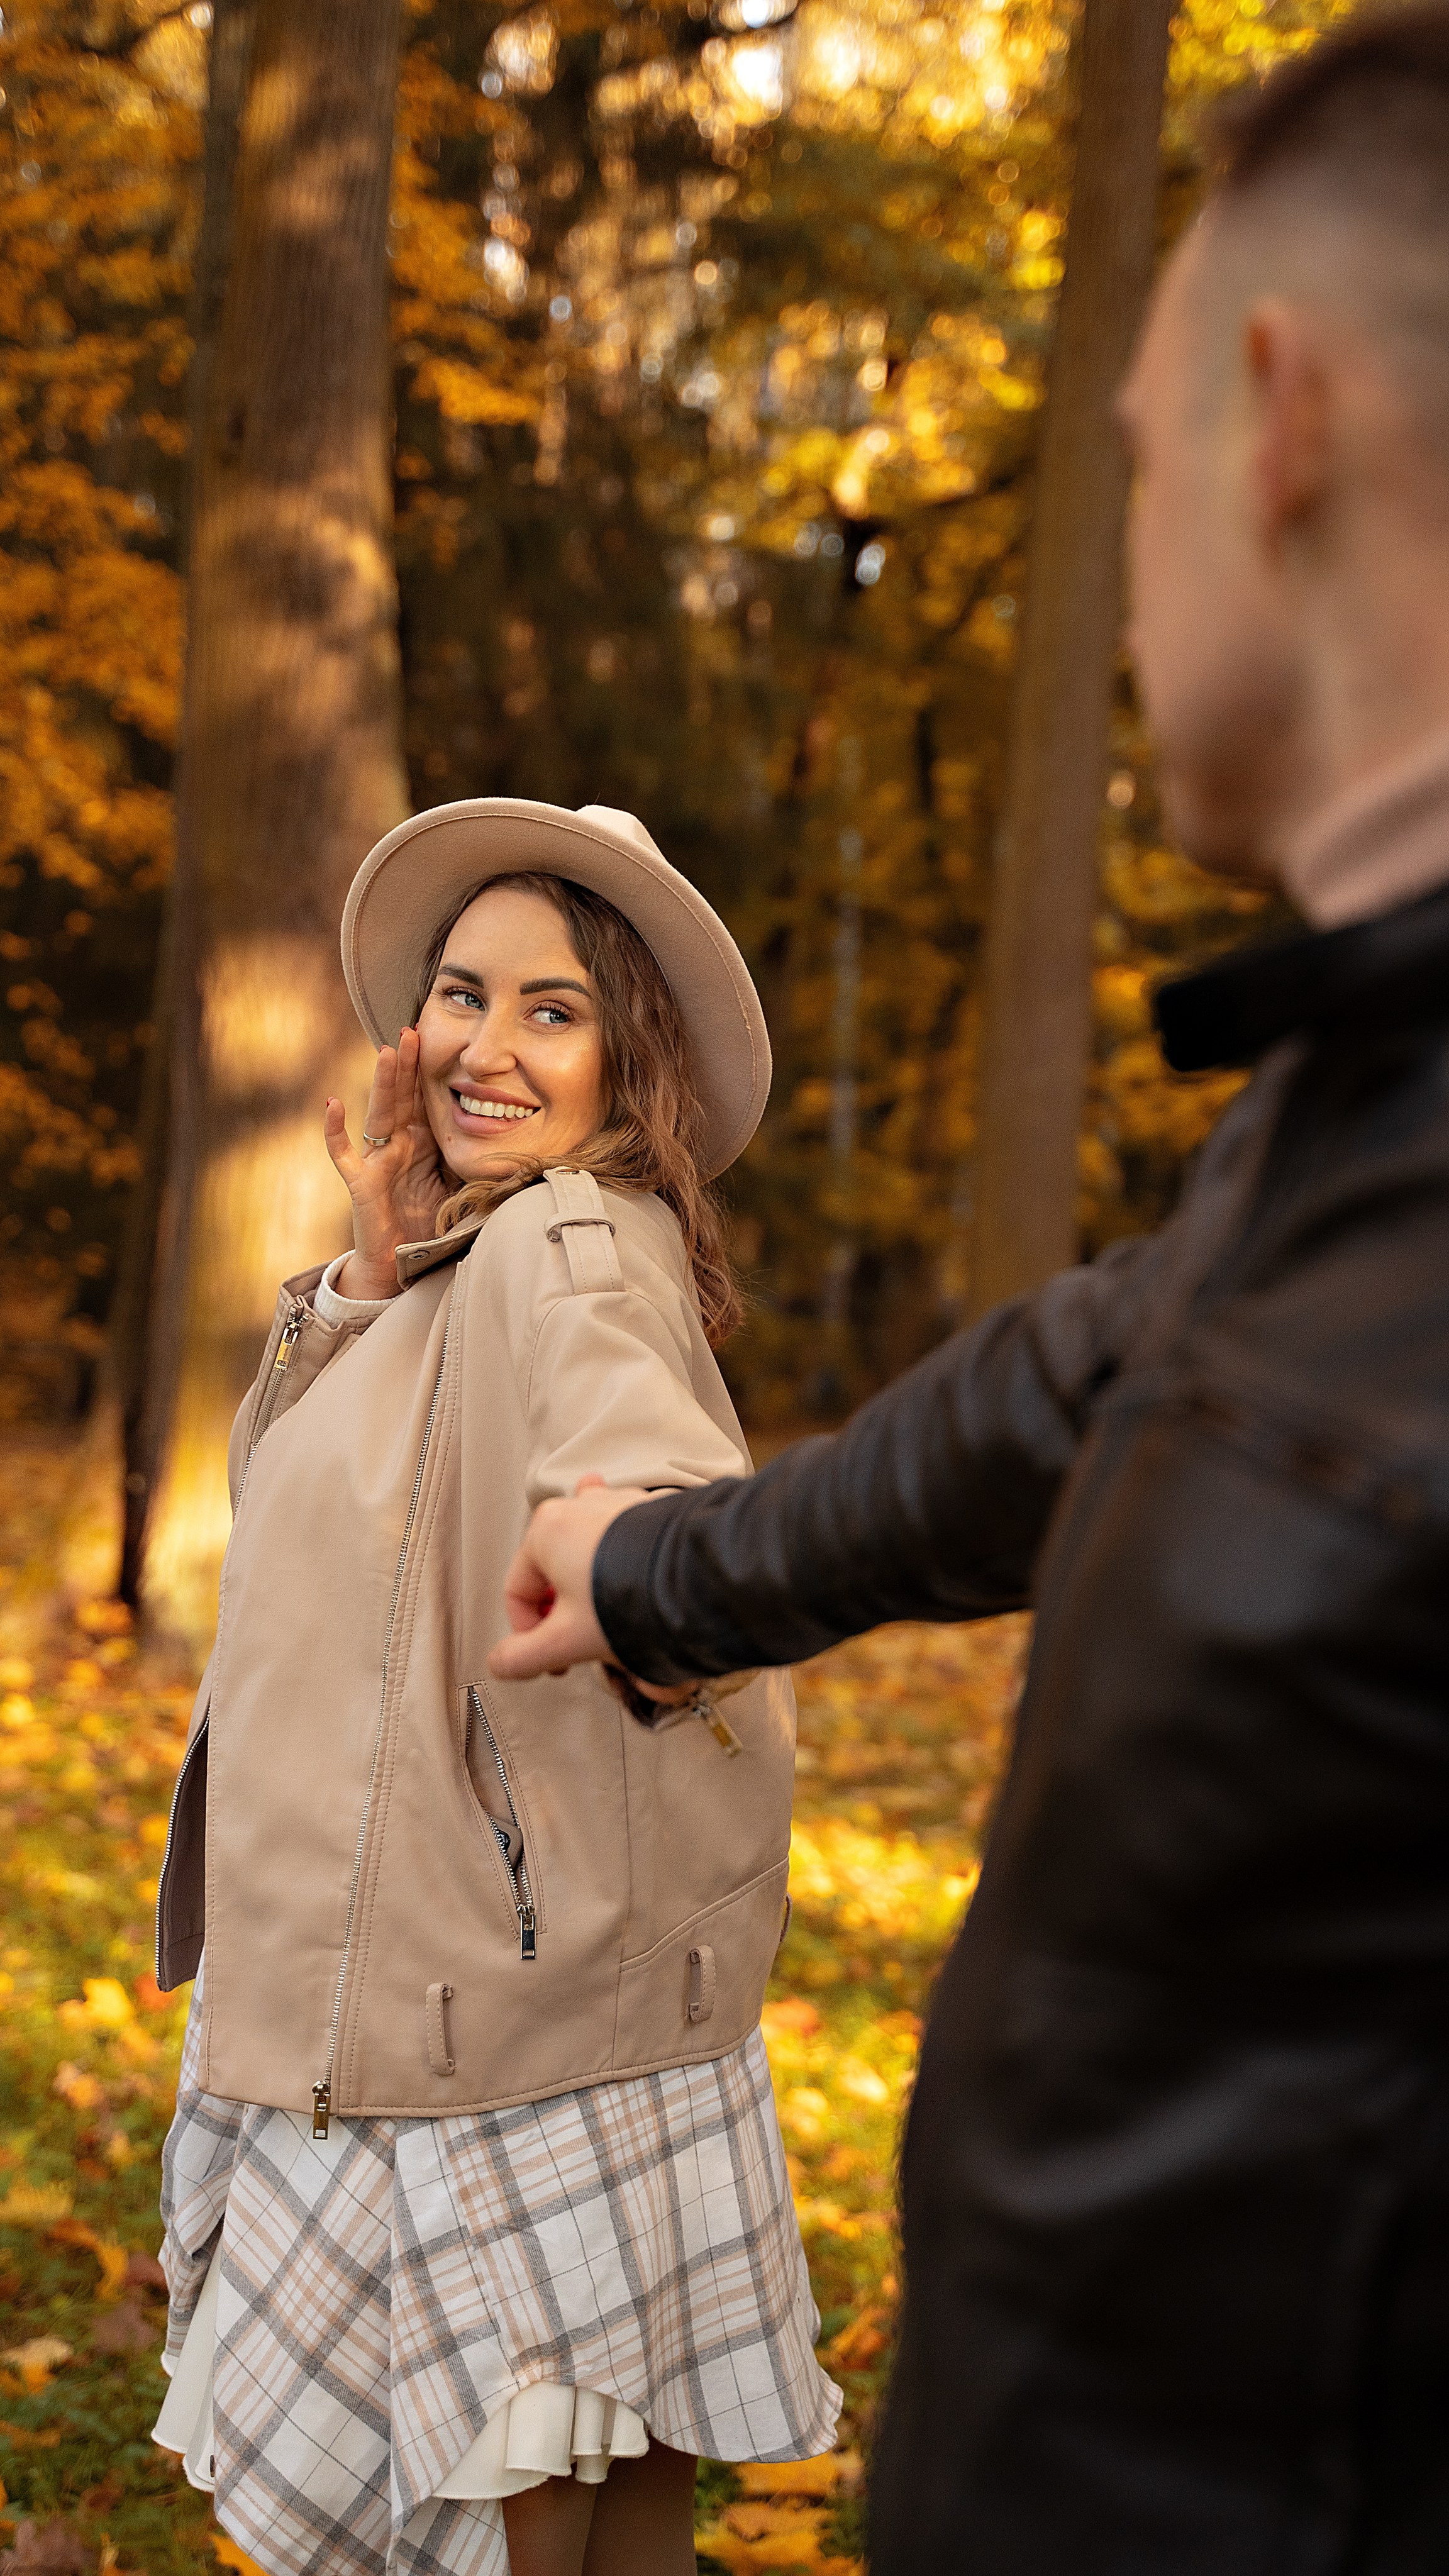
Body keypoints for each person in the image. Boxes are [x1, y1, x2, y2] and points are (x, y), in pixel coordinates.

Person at [487, 14, 1449, 2569]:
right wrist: (661, 1572)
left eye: (1131, 476)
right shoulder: (1357, 1112)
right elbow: (1103, 1366)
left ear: (1276, 418)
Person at [150, 801, 840, 2576]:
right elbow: (323, 1532)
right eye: (463, 995)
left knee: (511, 2498)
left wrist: (639, 1555)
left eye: (551, 1009)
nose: (483, 1044)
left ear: (630, 1053)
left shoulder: (563, 1249)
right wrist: (374, 1260)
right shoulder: (464, 1260)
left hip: (477, 2007)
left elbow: (648, 1480)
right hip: (534, 1981)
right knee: (615, 2500)